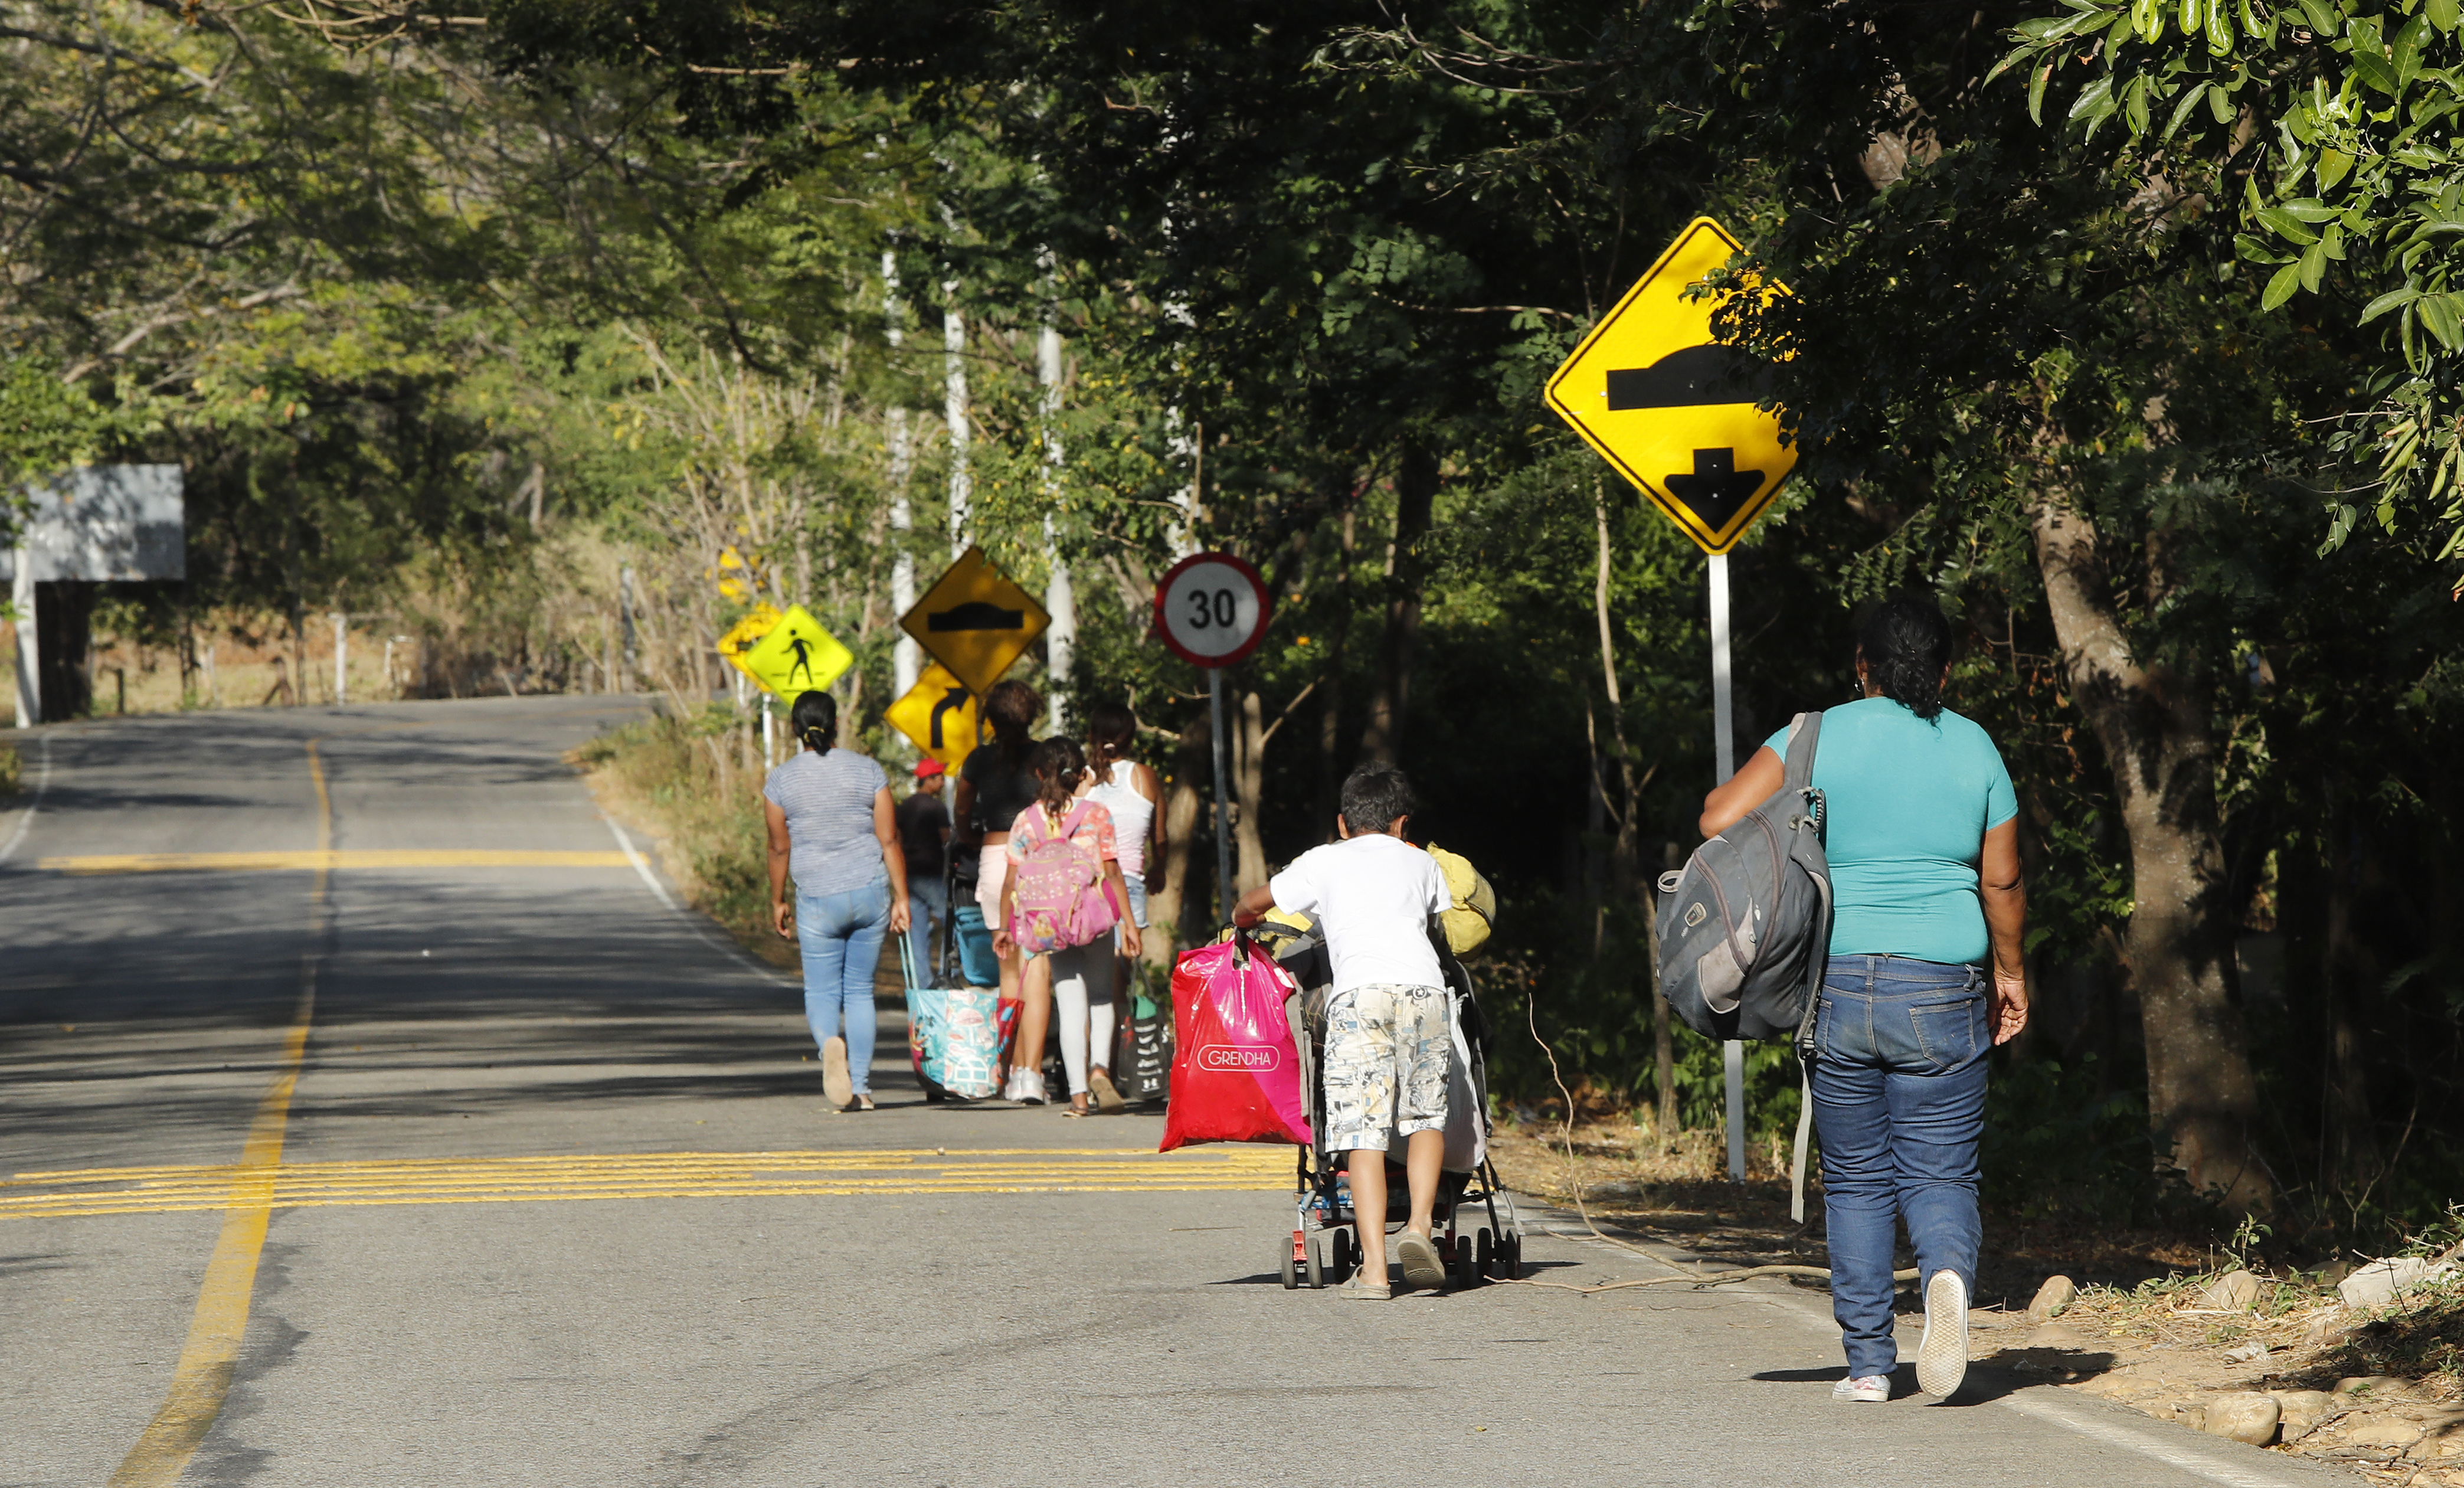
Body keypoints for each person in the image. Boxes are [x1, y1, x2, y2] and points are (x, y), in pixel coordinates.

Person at [1697, 594, 2028, 1403]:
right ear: (1944, 671)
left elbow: (1715, 818)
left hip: (1838, 981)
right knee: (1942, 1170)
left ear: (1859, 666)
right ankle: (1944, 1280)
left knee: (1852, 1179)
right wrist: (2010, 973)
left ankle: (1869, 1366)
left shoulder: (1815, 735)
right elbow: (2001, 880)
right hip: (1944, 984)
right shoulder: (1975, 746)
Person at [1231, 763, 1450, 1299]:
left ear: (1342, 823)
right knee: (1424, 1115)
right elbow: (1435, 923)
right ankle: (1420, 1227)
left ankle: (1374, 1272)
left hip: (1359, 997)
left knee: (1362, 1132)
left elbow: (1255, 903)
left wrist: (1242, 921)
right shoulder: (1423, 862)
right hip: (1425, 993)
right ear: (1402, 823)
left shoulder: (1323, 860)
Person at [764, 691, 912, 1113]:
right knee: (861, 990)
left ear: (795, 729)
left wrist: (777, 900)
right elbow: (888, 839)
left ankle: (830, 1043)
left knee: (823, 990)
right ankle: (862, 1088)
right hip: (868, 891)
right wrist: (902, 897)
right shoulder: (868, 771)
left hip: (817, 898)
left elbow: (778, 847)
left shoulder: (781, 780)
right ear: (835, 725)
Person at [992, 738, 1144, 1116]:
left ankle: (1077, 1098)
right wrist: (1128, 923)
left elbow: (1011, 882)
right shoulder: (1097, 814)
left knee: (1070, 1002)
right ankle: (1099, 1069)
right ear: (1080, 775)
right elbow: (1111, 872)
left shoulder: (1027, 820)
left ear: (1039, 774)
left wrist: (1004, 927)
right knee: (1102, 997)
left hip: (1049, 925)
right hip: (1093, 919)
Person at [951, 679, 1044, 1099]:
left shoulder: (978, 760)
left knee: (1009, 971)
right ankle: (1032, 1073)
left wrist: (967, 835)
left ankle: (1007, 1070)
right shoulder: (1043, 757)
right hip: (1041, 864)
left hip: (992, 861)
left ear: (990, 719)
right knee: (1037, 968)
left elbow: (961, 809)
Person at [1075, 701, 1164, 1110]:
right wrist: (1158, 868)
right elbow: (1159, 836)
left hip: (1084, 888)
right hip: (1128, 885)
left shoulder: (1082, 781)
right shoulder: (1144, 776)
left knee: (1084, 982)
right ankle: (1105, 1069)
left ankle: (1086, 1072)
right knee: (1114, 983)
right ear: (1131, 736)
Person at [895, 758, 951, 976]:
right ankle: (947, 976)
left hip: (908, 875)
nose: (942, 783)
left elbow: (896, 840)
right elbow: (946, 840)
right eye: (940, 778)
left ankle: (924, 986)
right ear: (930, 780)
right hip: (932, 875)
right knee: (952, 924)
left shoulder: (905, 806)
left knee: (917, 933)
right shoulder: (937, 808)